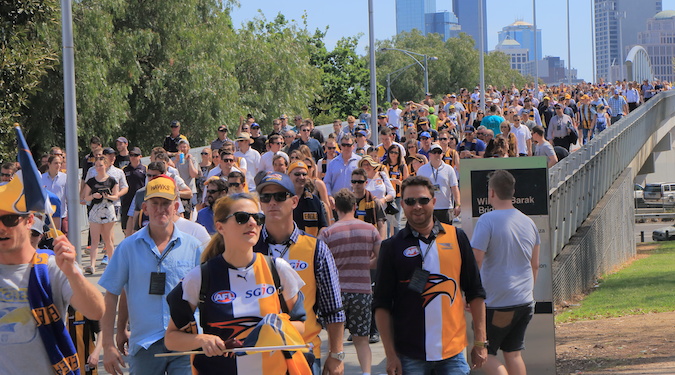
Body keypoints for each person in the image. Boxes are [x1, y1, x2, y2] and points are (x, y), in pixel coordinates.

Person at [164, 193, 308, 374]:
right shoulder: (200, 276)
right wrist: (201, 340)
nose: (252, 223)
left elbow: (301, 325)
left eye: (258, 218)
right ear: (220, 227)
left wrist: (271, 330)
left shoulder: (278, 269)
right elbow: (171, 338)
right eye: (242, 218)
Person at [373, 176, 487, 375]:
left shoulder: (457, 237)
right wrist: (390, 354)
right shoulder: (391, 247)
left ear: (434, 202)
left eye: (423, 200)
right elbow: (381, 305)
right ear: (402, 205)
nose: (417, 206)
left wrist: (480, 341)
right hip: (409, 355)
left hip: (453, 353)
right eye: (410, 201)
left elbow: (475, 292)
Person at [99, 175, 203, 375]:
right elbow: (112, 294)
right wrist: (109, 343)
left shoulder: (194, 247)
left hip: (186, 342)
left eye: (166, 203)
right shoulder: (128, 247)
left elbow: (206, 297)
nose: (160, 209)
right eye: (154, 203)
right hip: (145, 344)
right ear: (145, 208)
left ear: (176, 207)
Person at [253, 172, 346, 375]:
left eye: (279, 196)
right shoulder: (248, 248)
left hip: (304, 353)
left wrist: (337, 354)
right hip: (258, 355)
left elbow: (333, 308)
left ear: (294, 201)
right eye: (266, 197)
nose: (272, 203)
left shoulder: (316, 249)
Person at [0, 207, 104, 374]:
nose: (1, 227)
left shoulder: (52, 267)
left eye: (9, 219)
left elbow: (96, 311)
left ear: (29, 221)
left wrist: (72, 273)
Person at [471, 170, 540, 375]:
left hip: (498, 303)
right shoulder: (529, 222)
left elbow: (476, 259)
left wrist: (471, 295)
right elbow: (535, 264)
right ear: (513, 192)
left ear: (491, 193)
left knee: (484, 353)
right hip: (525, 300)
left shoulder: (487, 220)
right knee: (513, 353)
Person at [318, 189, 381, 375]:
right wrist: (364, 264)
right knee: (362, 339)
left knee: (334, 341)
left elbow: (319, 263)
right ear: (355, 206)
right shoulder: (370, 229)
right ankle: (366, 372)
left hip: (335, 294)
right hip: (362, 291)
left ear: (335, 207)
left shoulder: (328, 233)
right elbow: (380, 258)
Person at [82, 157, 119, 275]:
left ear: (106, 165)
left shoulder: (112, 180)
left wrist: (107, 196)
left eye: (101, 165)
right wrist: (94, 196)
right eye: (96, 165)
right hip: (95, 210)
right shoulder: (91, 181)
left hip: (108, 209)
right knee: (95, 240)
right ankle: (92, 265)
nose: (98, 168)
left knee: (108, 239)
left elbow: (116, 196)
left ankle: (113, 264)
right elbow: (85, 197)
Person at [416, 144, 461, 225]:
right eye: (434, 152)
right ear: (430, 154)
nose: (437, 154)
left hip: (446, 207)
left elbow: (454, 187)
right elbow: (418, 189)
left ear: (442, 155)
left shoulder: (449, 169)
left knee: (446, 234)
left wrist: (457, 204)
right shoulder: (422, 170)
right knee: (429, 234)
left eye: (439, 152)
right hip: (428, 207)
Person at [289, 161, 329, 236]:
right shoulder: (282, 199)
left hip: (310, 245)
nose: (301, 177)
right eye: (297, 174)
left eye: (304, 174)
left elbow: (323, 226)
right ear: (289, 175)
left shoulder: (314, 200)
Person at [383, 144, 409, 236]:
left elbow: (407, 183)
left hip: (398, 197)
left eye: (396, 153)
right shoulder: (383, 165)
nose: (393, 154)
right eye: (391, 152)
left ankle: (396, 241)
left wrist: (400, 183)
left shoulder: (402, 166)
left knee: (396, 222)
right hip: (386, 196)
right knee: (387, 221)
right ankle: (386, 241)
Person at [122, 147, 146, 237]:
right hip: (127, 200)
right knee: (125, 227)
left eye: (135, 155)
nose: (133, 157)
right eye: (131, 155)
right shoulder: (124, 169)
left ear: (140, 156)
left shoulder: (144, 169)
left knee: (138, 225)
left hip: (140, 200)